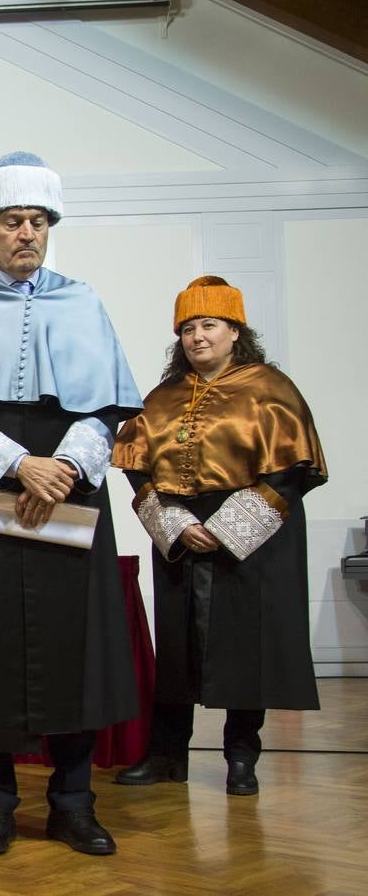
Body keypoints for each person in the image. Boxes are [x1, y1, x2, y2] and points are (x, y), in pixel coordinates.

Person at [0, 151, 143, 856]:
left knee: (76, 647)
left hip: (69, 486)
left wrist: (64, 465)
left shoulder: (84, 302)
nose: (27, 234)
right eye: (13, 221)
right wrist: (17, 464)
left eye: (38, 221)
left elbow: (107, 406)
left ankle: (73, 800)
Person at [112, 276, 327, 796]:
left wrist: (228, 529)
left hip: (252, 535)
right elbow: (137, 466)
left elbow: (290, 472)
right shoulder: (161, 398)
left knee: (245, 648)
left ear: (235, 331)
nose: (197, 337)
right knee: (178, 646)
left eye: (209, 325)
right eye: (187, 328)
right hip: (181, 533)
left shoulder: (271, 389)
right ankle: (166, 755)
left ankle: (241, 757)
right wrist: (178, 523)